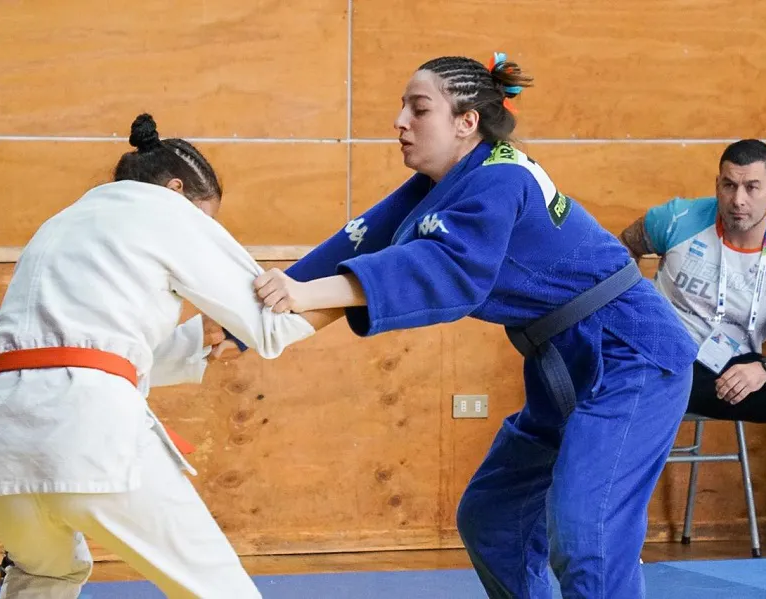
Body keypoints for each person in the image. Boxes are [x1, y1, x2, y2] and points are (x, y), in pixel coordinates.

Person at [245, 53, 699, 598]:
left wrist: (306, 295)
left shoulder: (501, 178)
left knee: (587, 533)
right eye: (403, 108)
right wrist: (240, 325)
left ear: (467, 122)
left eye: (419, 109)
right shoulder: (440, 186)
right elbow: (354, 244)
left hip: (630, 354)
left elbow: (448, 270)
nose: (400, 122)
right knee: (494, 519)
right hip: (560, 361)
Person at [0, 114, 337, 598]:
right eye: (207, 218)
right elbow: (274, 325)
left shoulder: (60, 224)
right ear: (176, 190)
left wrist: (198, 337)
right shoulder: (166, 210)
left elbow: (77, 352)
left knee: (48, 574)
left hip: (4, 445)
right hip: (87, 430)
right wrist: (366, 287)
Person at [618, 139, 766, 557]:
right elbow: (624, 245)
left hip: (730, 372)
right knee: (597, 374)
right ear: (718, 184)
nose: (738, 199)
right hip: (659, 361)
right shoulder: (679, 218)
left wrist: (763, 370)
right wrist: (631, 313)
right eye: (728, 186)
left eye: (752, 187)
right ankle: (608, 528)